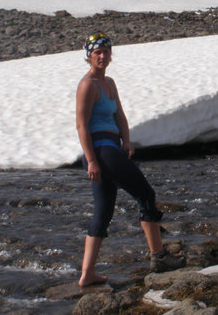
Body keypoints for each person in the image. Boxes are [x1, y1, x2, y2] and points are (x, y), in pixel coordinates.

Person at [76, 32, 184, 287]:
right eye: (97, 53)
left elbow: (120, 116)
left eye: (106, 52)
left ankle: (87, 274)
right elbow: (81, 125)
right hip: (101, 152)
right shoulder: (87, 85)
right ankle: (158, 258)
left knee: (103, 212)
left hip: (112, 148)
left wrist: (126, 140)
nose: (102, 56)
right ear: (89, 56)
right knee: (146, 194)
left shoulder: (109, 83)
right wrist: (91, 161)